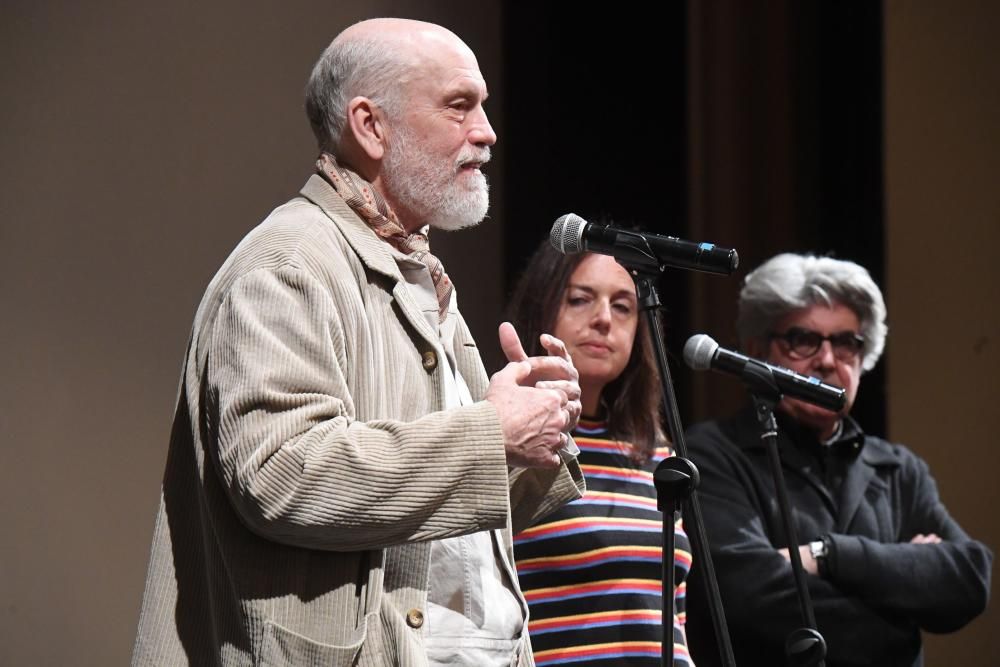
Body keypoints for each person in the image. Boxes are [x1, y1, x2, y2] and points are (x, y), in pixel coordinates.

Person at [132, 19, 587, 666]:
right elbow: (280, 473)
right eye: (459, 106)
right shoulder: (289, 268)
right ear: (371, 126)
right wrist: (491, 434)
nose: (486, 132)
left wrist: (529, 439)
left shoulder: (419, 274)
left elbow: (437, 514)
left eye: (483, 107)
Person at [684, 253, 993, 667]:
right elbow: (748, 599)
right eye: (803, 339)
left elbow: (970, 579)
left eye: (846, 342)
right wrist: (903, 607)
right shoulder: (712, 453)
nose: (828, 361)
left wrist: (829, 555)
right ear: (758, 350)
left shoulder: (899, 469)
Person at [507, 241, 694, 666]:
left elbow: (674, 618)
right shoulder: (512, 443)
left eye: (623, 307)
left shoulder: (656, 454)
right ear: (543, 306)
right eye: (580, 299)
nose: (604, 319)